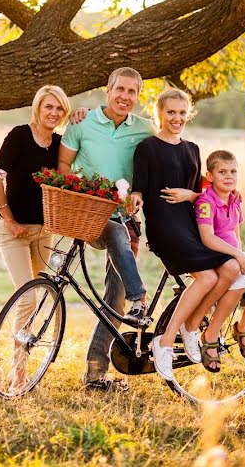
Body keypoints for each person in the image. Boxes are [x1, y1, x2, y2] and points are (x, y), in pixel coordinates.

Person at [129, 88, 245, 381]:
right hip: (164, 225)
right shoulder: (147, 148)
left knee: (230, 268)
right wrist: (136, 197)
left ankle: (192, 327)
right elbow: (140, 186)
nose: (177, 118)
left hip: (190, 225)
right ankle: (165, 342)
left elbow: (201, 193)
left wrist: (192, 194)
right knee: (207, 277)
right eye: (171, 112)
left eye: (182, 113)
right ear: (160, 114)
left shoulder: (192, 149)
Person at [58, 67, 155, 391]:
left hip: (125, 218)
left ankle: (96, 375)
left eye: (132, 92)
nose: (125, 97)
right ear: (107, 90)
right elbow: (62, 168)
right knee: (114, 232)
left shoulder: (144, 129)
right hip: (87, 215)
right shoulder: (82, 122)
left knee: (114, 298)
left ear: (138, 96)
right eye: (120, 90)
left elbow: (163, 153)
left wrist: (139, 194)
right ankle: (140, 298)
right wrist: (79, 193)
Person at [0, 84, 71, 391]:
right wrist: (9, 219)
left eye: (59, 108)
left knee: (32, 301)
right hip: (14, 231)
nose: (54, 113)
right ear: (38, 107)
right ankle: (19, 375)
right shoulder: (19, 136)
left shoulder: (59, 145)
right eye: (49, 106)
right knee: (28, 297)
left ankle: (18, 367)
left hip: (43, 232)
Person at [194, 149, 245, 368]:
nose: (229, 176)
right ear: (209, 176)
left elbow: (235, 234)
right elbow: (208, 238)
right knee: (239, 283)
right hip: (215, 255)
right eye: (222, 172)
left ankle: (244, 327)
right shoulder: (205, 201)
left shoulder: (235, 199)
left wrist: (243, 255)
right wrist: (238, 256)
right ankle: (210, 335)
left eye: (233, 171)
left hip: (234, 254)